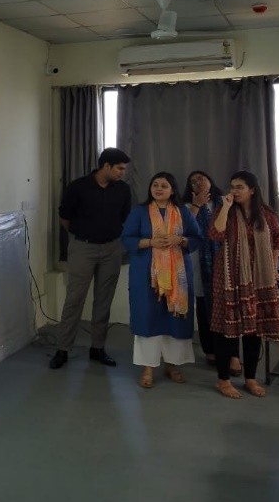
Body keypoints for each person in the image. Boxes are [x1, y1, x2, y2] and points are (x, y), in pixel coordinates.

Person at [49, 148, 132, 370]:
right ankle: (63, 349)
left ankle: (98, 348)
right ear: (106, 166)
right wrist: (82, 234)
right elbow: (64, 217)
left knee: (104, 300)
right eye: (119, 168)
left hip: (111, 248)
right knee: (74, 298)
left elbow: (124, 217)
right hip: (83, 247)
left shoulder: (123, 189)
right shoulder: (78, 187)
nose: (123, 173)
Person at [122, 172, 202, 388]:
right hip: (146, 275)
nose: (158, 189)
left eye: (164, 186)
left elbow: (197, 238)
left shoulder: (183, 212)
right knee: (148, 316)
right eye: (155, 185)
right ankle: (148, 368)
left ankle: (172, 365)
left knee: (175, 319)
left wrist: (180, 239)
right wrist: (150, 242)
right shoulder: (139, 212)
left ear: (172, 190)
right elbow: (127, 238)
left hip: (178, 277)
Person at [209, 170, 279, 399]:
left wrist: (273, 268)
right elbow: (215, 234)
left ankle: (250, 378)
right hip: (228, 277)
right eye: (232, 186)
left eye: (239, 187)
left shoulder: (267, 215)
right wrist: (225, 207)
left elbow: (277, 242)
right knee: (225, 330)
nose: (234, 191)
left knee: (254, 329)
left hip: (258, 278)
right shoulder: (225, 211)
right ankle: (223, 381)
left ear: (252, 190)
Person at [182, 170, 238, 369]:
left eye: (202, 178)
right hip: (199, 263)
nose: (198, 182)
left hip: (224, 260)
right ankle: (210, 350)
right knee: (204, 308)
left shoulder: (224, 202)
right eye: (193, 181)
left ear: (210, 181)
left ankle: (233, 354)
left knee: (229, 308)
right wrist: (197, 205)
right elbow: (184, 229)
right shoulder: (187, 206)